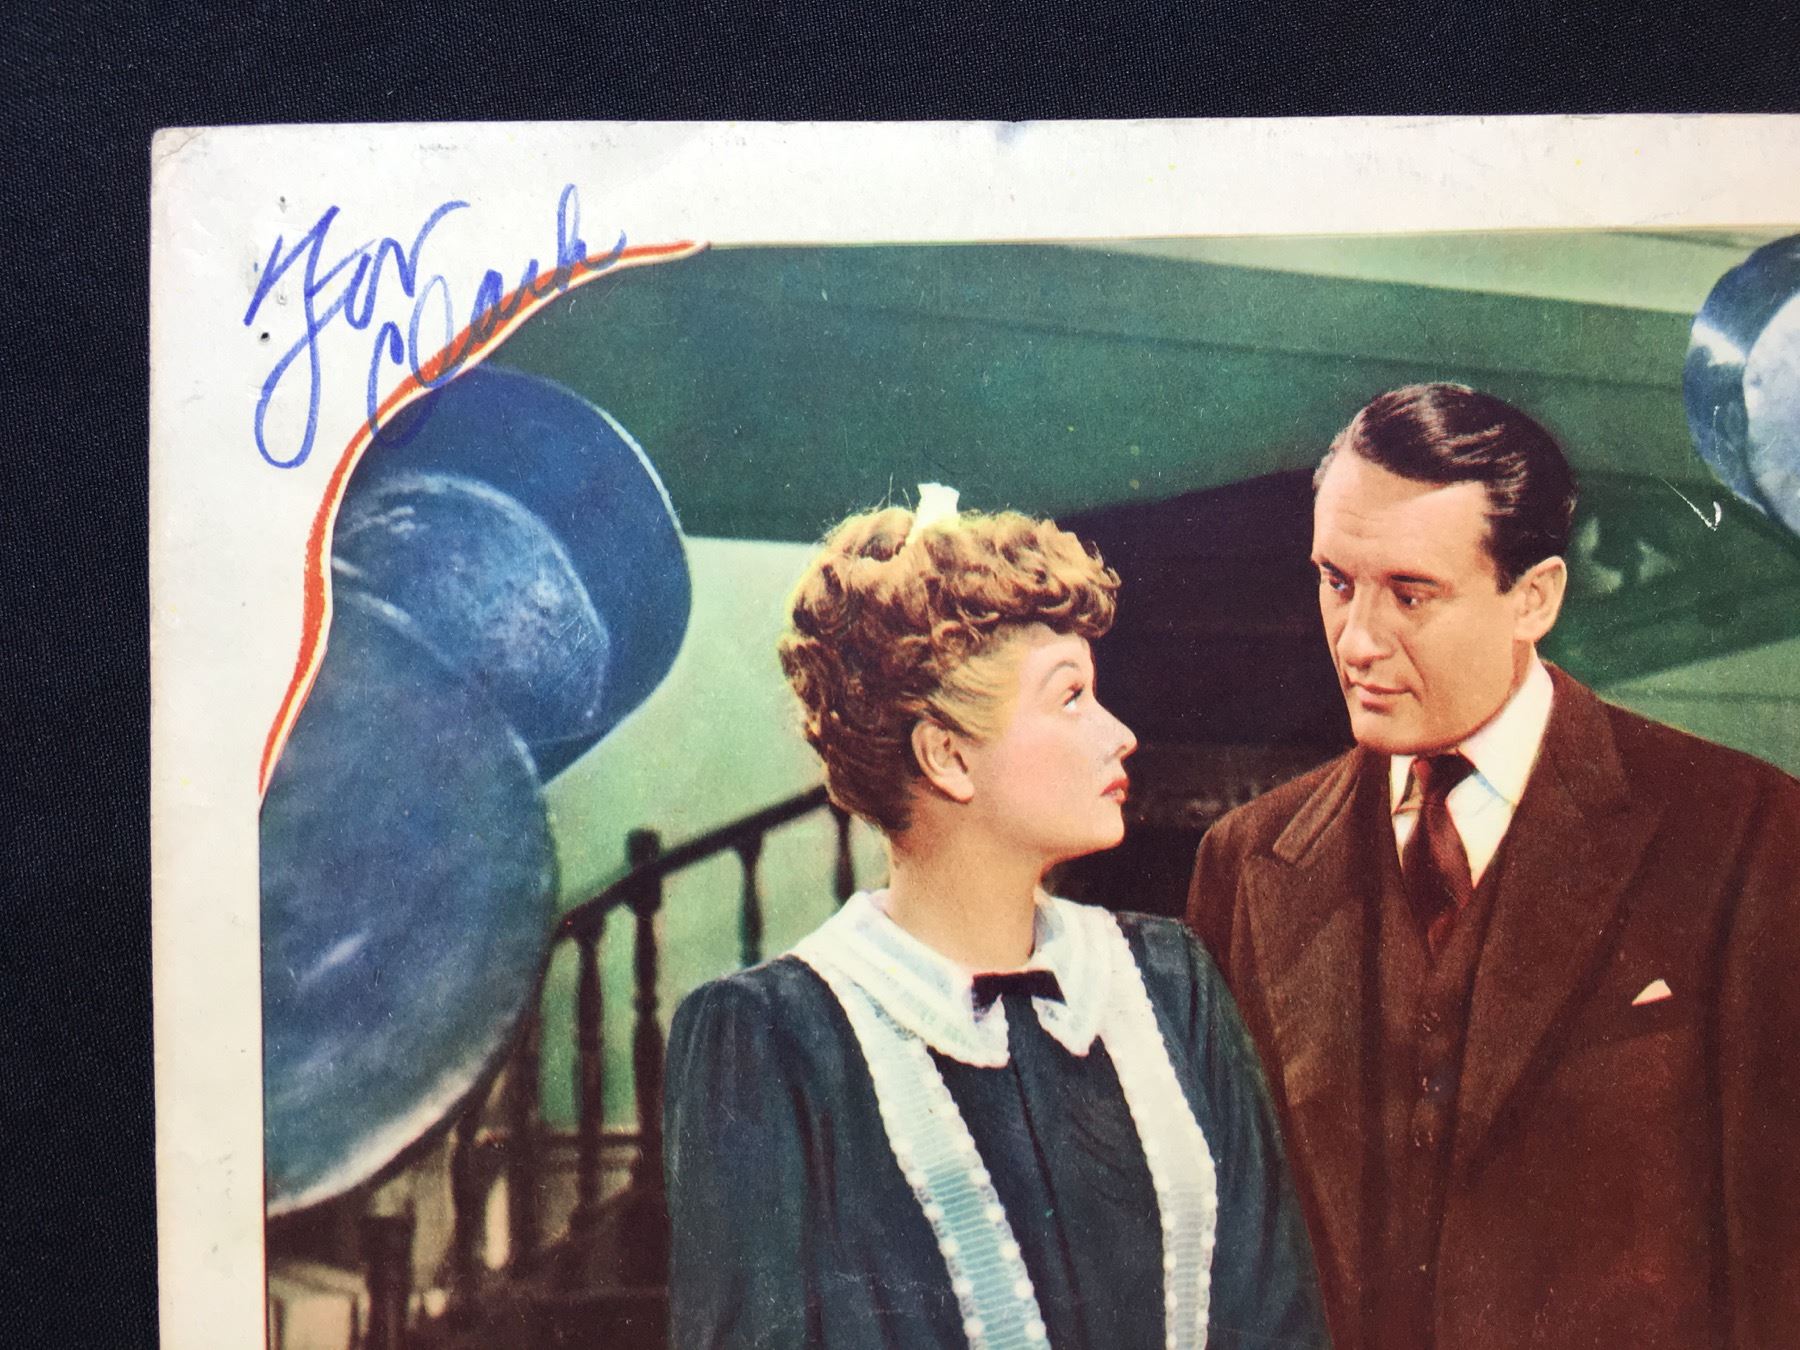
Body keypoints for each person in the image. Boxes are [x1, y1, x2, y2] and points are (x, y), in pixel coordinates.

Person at [1186, 383, 1800, 1350]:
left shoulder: (1745, 832)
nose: (1357, 640)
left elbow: (1779, 1264)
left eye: (1410, 594)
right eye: (1336, 582)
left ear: (1536, 599)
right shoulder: (1246, 863)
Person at [666, 492, 1330, 1349]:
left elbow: (1277, 1320)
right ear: (947, 755)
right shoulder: (774, 1039)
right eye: (1071, 698)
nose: (1120, 734)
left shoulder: (1170, 983)